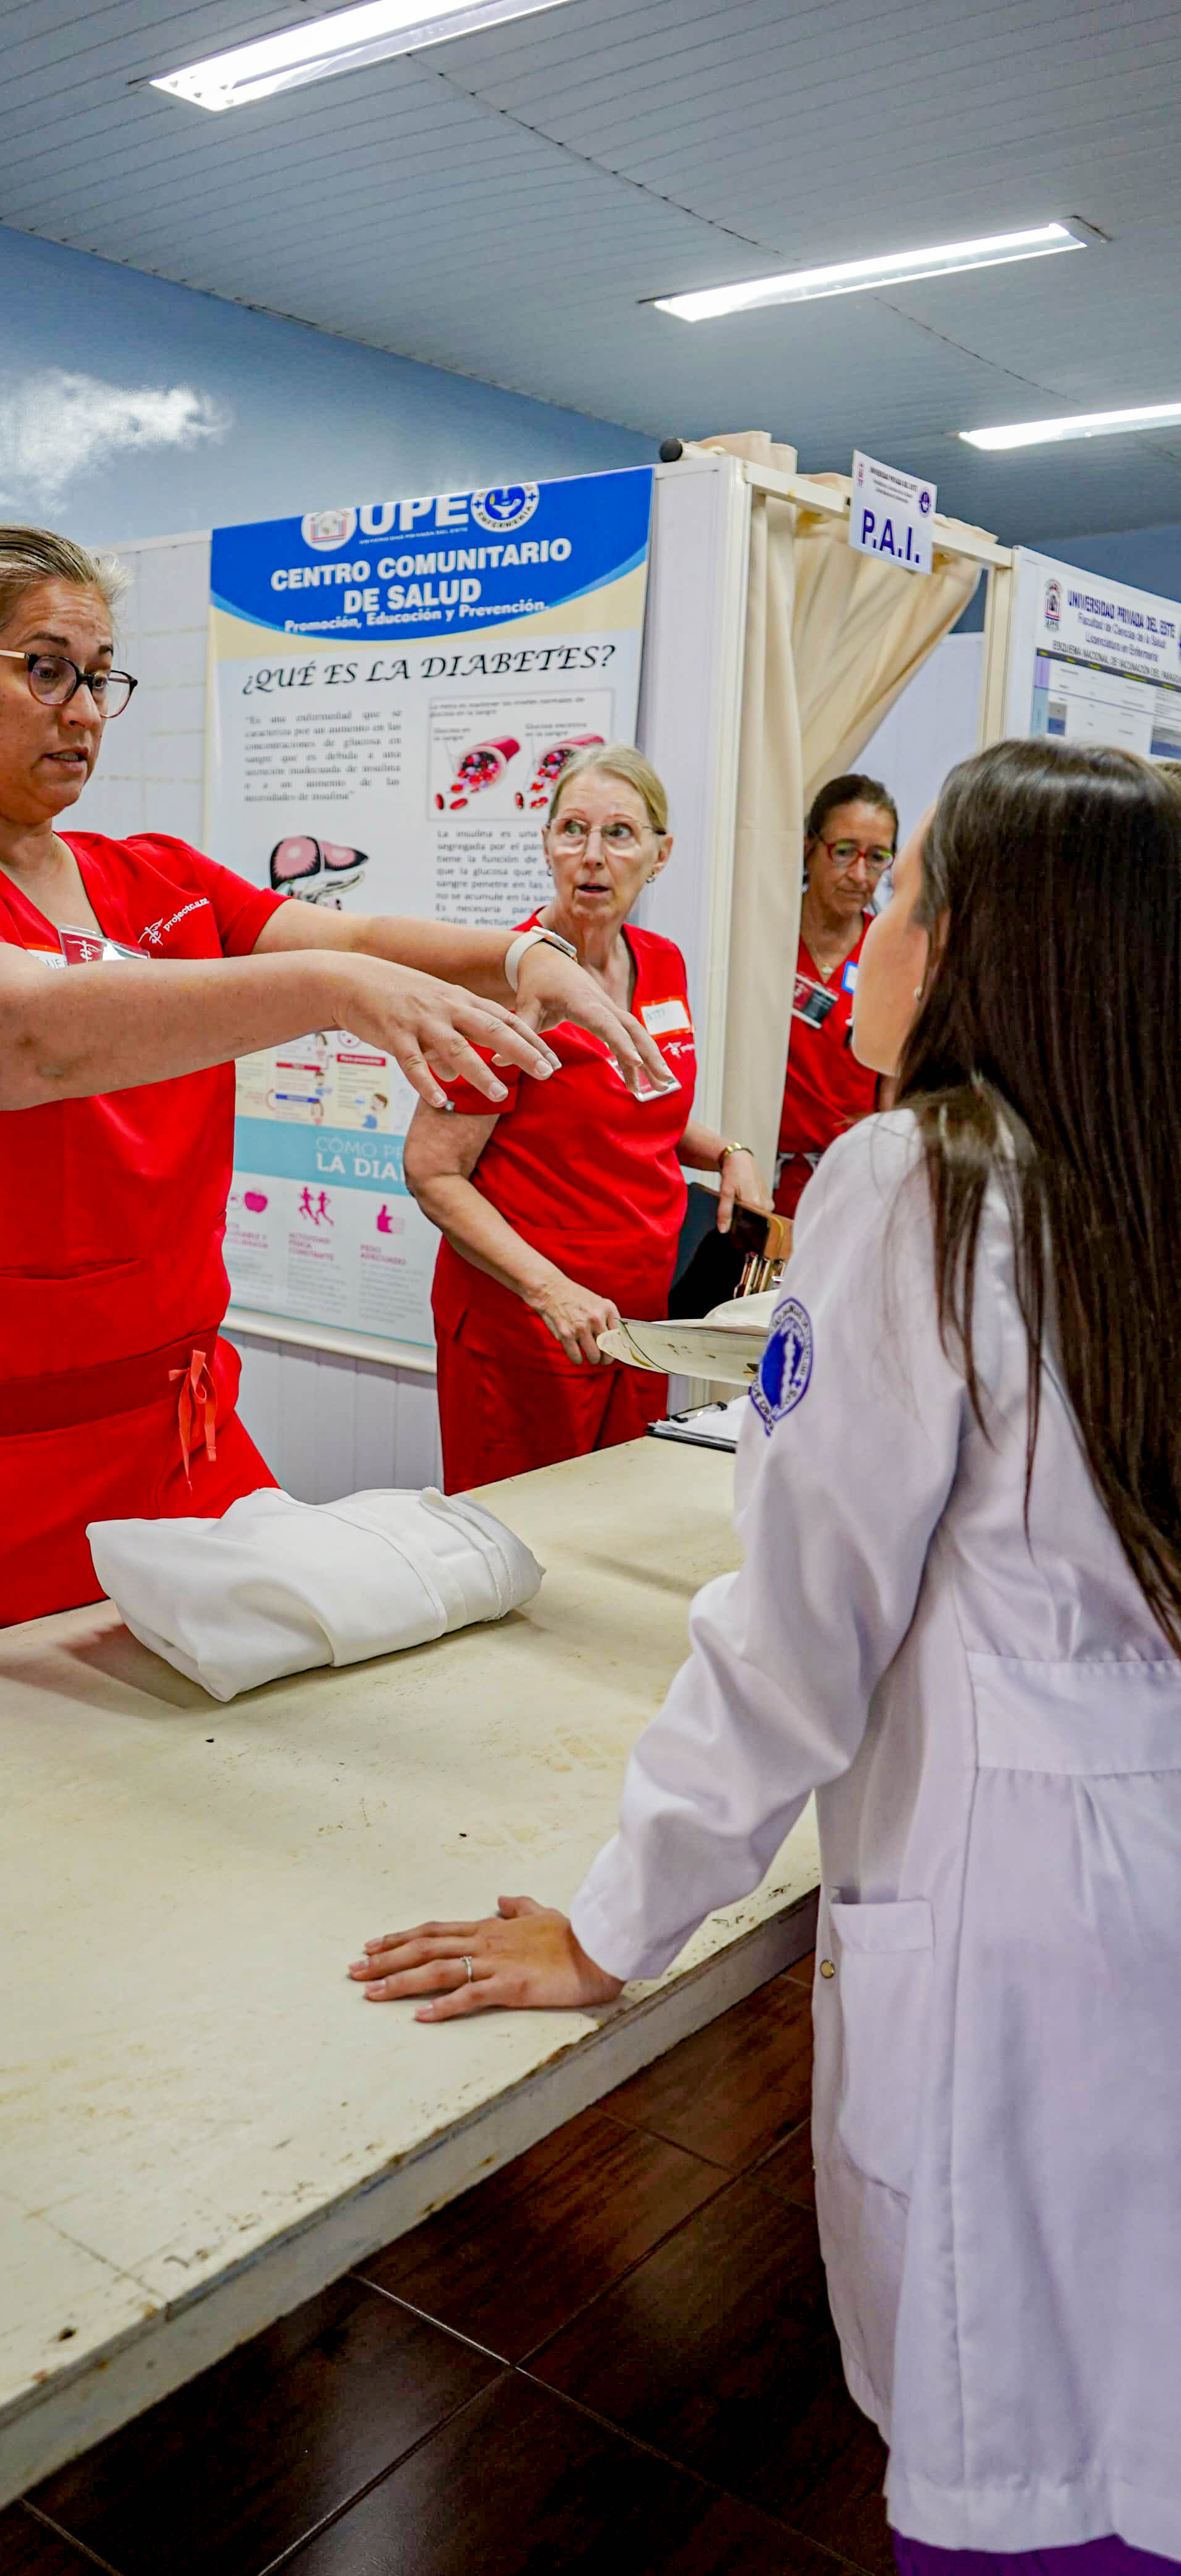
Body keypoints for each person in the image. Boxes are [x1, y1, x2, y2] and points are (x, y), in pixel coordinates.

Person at [351, 738, 1181, 2572]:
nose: (860, 933)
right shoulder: (1142, 1176)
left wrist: (608, 1924)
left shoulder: (925, 1176)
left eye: (895, 894)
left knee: (1029, 2439)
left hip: (1015, 1934)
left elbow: (799, 1634)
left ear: (979, 946)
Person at [0, 525, 672, 1668]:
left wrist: (522, 960)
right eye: (46, 668)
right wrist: (329, 988)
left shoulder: (149, 877)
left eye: (99, 675)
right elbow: (21, 1040)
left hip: (177, 1431)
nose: (84, 710)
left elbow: (353, 928)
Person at [403, 746, 770, 1492]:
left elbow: (638, 1106)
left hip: (641, 1320)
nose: (593, 857)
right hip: (530, 1326)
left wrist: (728, 1148)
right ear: (546, 844)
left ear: (661, 854)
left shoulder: (661, 962)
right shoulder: (502, 981)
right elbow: (432, 1170)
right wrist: (549, 1290)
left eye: (620, 834)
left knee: (615, 1521)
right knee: (524, 1549)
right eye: (573, 830)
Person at [774, 772, 897, 1217]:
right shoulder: (767, 939)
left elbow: (892, 1090)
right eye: (844, 851)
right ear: (810, 847)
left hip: (849, 1189)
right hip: (761, 1182)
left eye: (877, 857)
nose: (859, 874)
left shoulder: (890, 952)